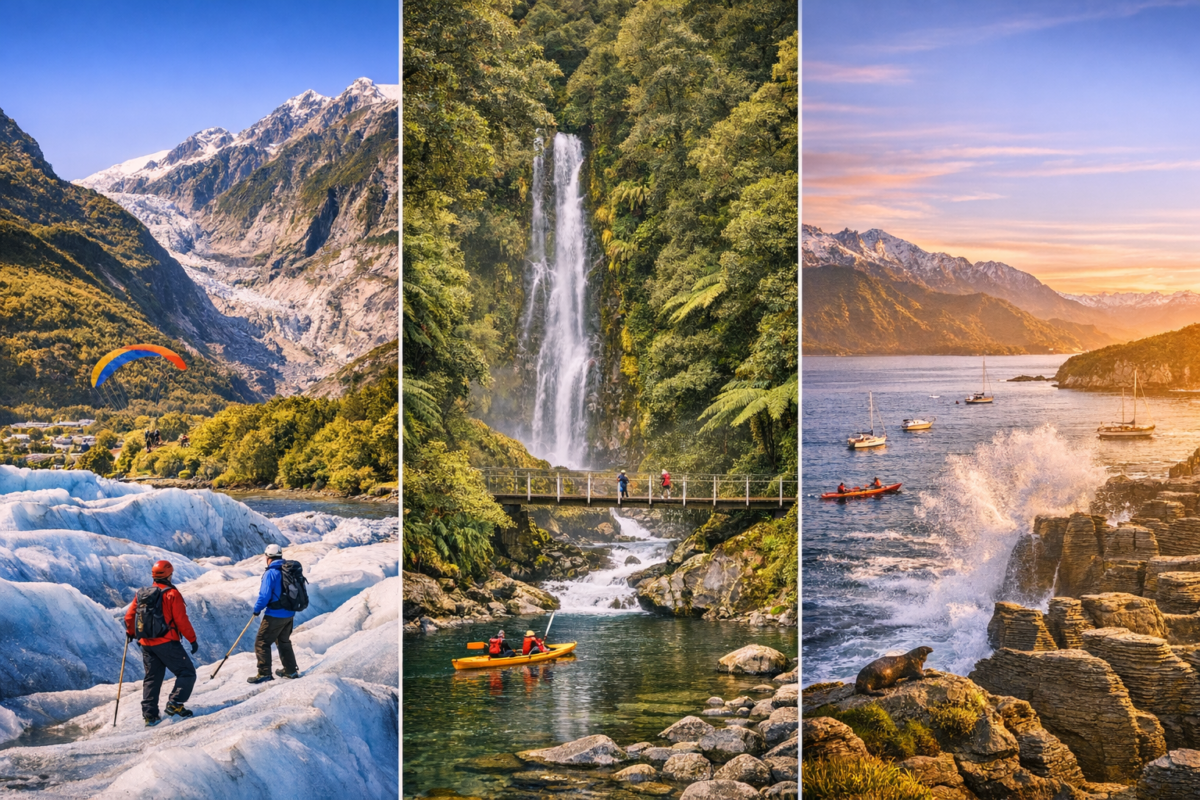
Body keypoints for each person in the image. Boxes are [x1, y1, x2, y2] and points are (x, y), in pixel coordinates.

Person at [124, 560, 198, 726]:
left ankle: (150, 715)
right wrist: (192, 639)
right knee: (187, 673)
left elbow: (129, 617)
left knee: (152, 678)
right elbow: (181, 620)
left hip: (146, 644)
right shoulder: (172, 594)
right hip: (167, 642)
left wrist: (131, 633)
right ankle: (175, 704)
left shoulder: (142, 593)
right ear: (169, 575)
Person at [247, 543, 301, 683]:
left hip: (275, 614)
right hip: (289, 613)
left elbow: (264, 596)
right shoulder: (287, 570)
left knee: (262, 642)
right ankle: (291, 671)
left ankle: (264, 673)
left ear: (268, 557)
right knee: (283, 641)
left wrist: (257, 609)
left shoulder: (271, 573)